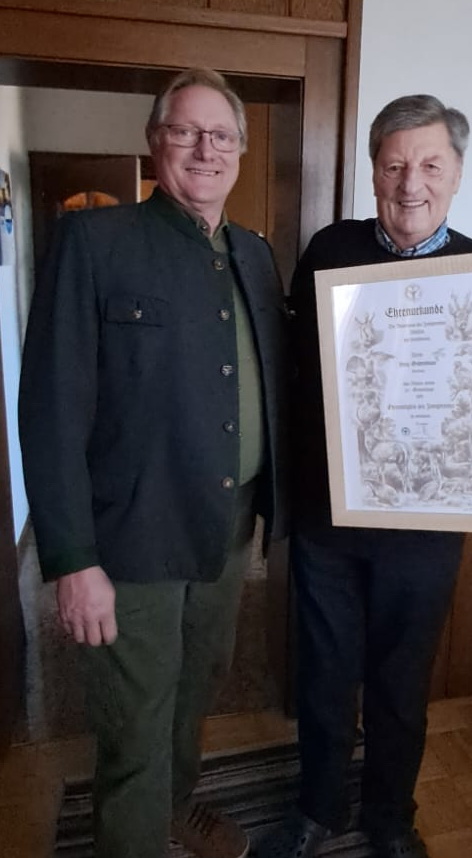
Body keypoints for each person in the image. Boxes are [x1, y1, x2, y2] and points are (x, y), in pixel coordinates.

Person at [255, 95, 472, 858]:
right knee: (324, 674)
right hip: (329, 518)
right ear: (373, 172)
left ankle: (390, 818)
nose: (410, 183)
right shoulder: (329, 250)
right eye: (393, 165)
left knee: (401, 682)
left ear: (456, 173)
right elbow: (292, 376)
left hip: (426, 527)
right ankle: (318, 809)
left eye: (429, 165)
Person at [19, 68, 289, 858]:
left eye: (222, 135)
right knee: (134, 718)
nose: (206, 149)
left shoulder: (254, 255)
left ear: (240, 149)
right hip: (130, 536)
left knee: (196, 687)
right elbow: (50, 410)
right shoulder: (94, 243)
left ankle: (174, 807)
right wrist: (73, 561)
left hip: (227, 528)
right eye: (186, 131)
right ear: (154, 140)